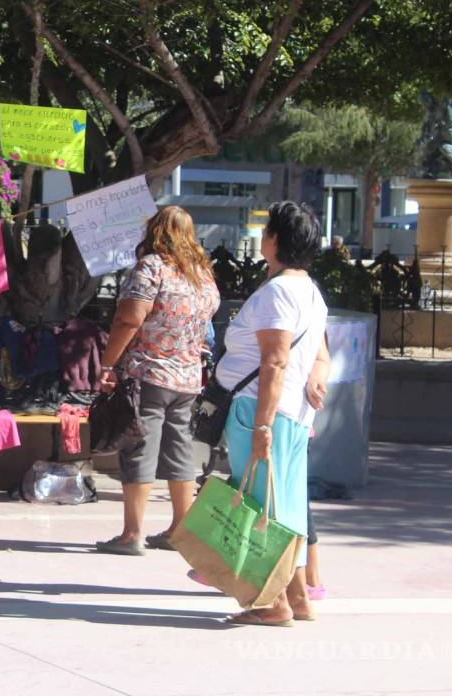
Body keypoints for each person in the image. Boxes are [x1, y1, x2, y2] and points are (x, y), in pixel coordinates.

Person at [214, 201, 330, 625]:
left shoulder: (279, 292)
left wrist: (262, 423)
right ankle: (297, 597)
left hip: (262, 411)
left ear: (275, 240)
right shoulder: (310, 292)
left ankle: (271, 602)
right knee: (287, 504)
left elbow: (275, 362)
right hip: (293, 415)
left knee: (263, 505)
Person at [95, 206, 220, 555]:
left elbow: (128, 320)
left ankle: (132, 534)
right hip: (187, 379)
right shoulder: (202, 274)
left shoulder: (152, 267)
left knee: (139, 449)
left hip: (148, 374)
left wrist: (108, 365)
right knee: (180, 450)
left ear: (155, 231)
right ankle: (180, 529)